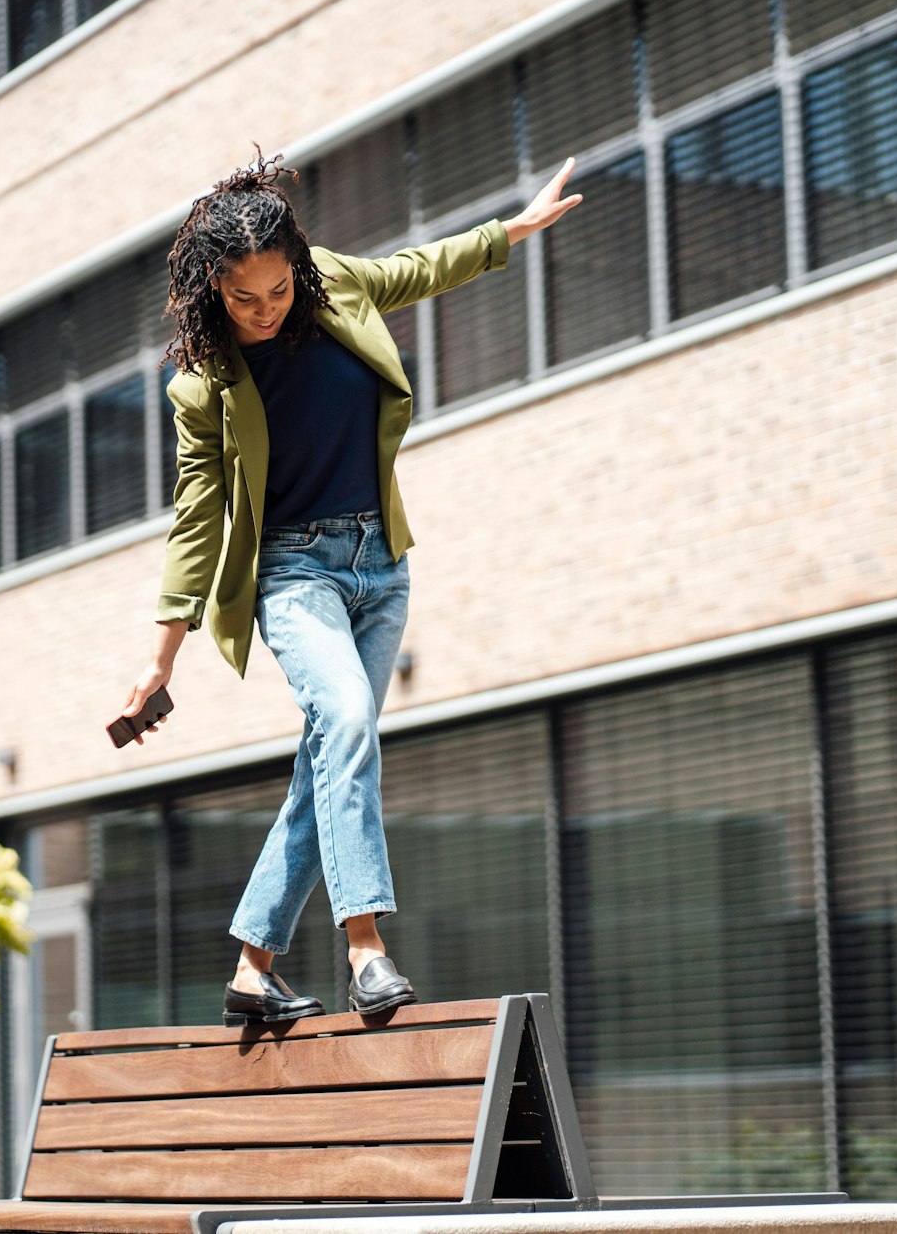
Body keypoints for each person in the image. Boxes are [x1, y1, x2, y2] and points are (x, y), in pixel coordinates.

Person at [115, 148, 583, 1026]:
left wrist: (511, 231)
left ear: (297, 265)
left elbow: (418, 268)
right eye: (242, 298)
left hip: (382, 566)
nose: (263, 311)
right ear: (211, 285)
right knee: (348, 722)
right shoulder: (200, 386)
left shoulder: (332, 283)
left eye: (278, 290)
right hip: (292, 572)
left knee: (330, 755)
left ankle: (253, 969)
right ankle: (366, 945)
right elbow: (196, 518)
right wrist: (159, 659)